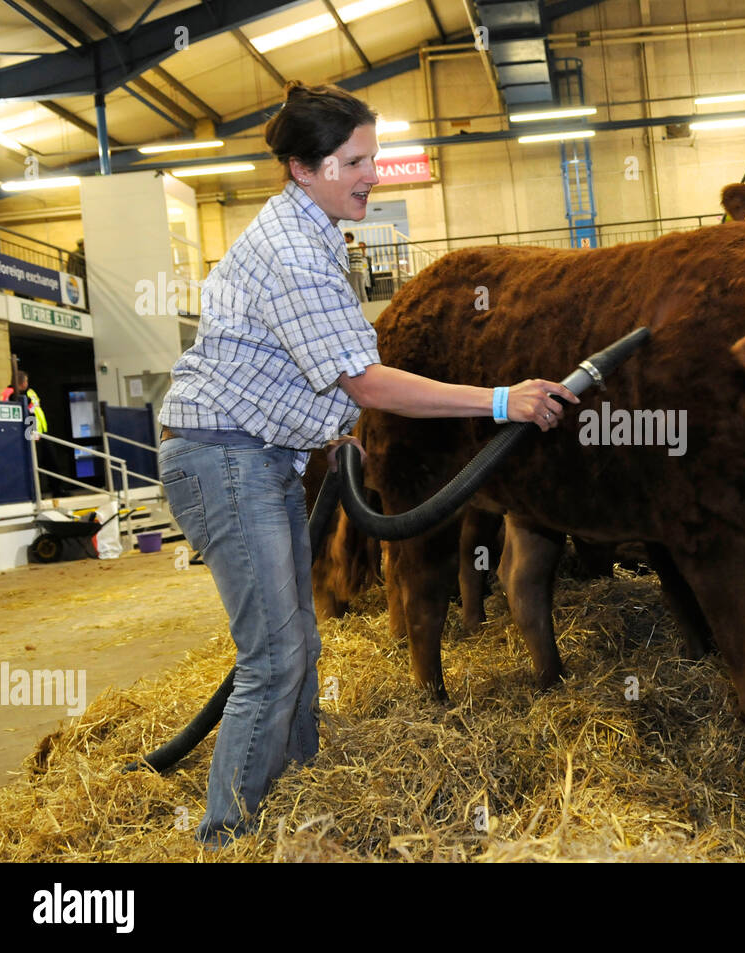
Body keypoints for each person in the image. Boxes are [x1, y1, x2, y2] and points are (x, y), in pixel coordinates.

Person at [156, 80, 578, 847]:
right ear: (302, 168)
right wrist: (499, 401)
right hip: (223, 461)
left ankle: (301, 803)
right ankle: (226, 838)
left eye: (372, 159)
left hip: (257, 457)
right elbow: (368, 379)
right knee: (274, 657)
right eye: (354, 161)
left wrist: (329, 425)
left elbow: (315, 370)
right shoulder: (291, 251)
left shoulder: (314, 233)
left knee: (298, 648)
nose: (371, 175)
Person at [346, 232, 368, 303]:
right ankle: (365, 302)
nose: (344, 239)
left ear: (349, 238)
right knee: (361, 288)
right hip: (360, 271)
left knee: (355, 288)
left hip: (353, 270)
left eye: (345, 237)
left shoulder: (349, 246)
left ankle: (359, 304)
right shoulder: (357, 247)